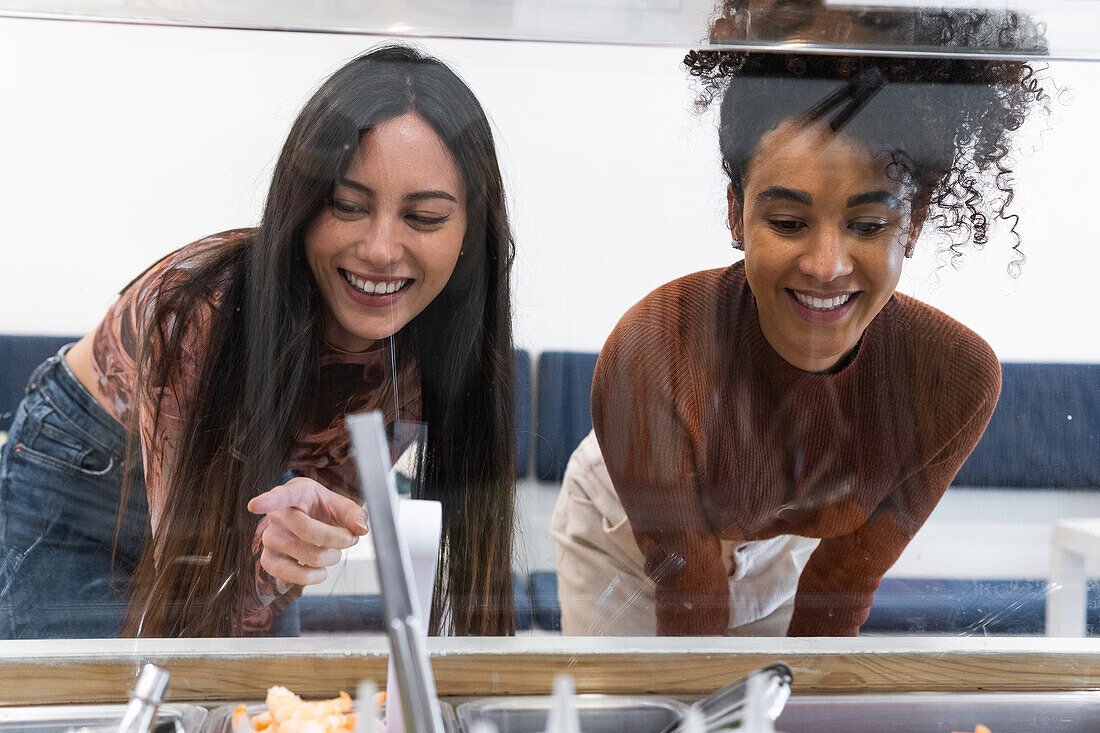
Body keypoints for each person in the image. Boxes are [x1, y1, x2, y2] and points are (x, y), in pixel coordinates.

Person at [551, 8, 1049, 636]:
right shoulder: (653, 351)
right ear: (736, 215)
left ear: (913, 225)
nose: (826, 265)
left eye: (868, 226)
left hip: (781, 530)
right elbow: (690, 587)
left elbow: (843, 581)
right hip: (631, 532)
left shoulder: (954, 379)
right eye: (788, 223)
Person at [0, 44, 516, 639]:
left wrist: (289, 551)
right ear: (299, 205)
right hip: (86, 464)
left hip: (242, 481)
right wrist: (271, 566)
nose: (380, 249)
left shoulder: (446, 341)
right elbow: (192, 614)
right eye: (347, 206)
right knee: (85, 706)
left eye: (423, 217)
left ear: (471, 233)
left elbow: (264, 577)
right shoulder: (201, 312)